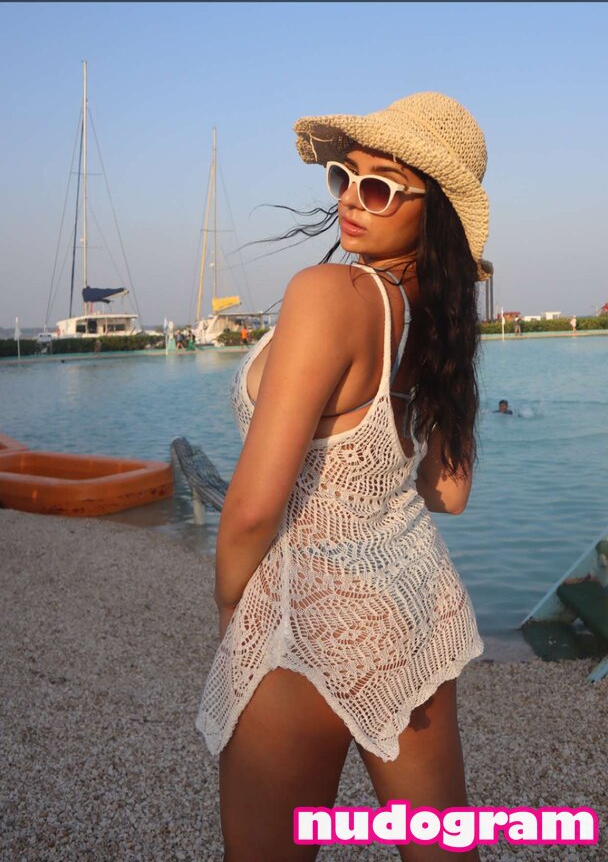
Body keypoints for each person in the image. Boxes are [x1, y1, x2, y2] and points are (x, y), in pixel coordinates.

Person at [196, 91, 489, 862]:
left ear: (433, 211)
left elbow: (253, 509)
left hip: (308, 613)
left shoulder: (330, 293)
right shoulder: (433, 320)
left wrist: (230, 608)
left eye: (382, 186)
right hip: (412, 600)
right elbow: (447, 493)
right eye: (344, 177)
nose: (352, 200)